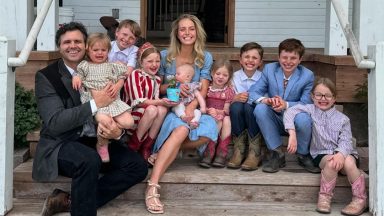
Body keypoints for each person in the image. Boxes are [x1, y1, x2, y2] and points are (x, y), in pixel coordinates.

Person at [32, 22, 148, 216]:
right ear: (59, 46)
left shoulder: (105, 68)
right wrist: (95, 103)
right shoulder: (47, 76)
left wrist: (117, 132)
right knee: (89, 160)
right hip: (62, 142)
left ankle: (69, 201)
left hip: (96, 138)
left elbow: (117, 107)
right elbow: (55, 122)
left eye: (78, 41)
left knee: (137, 166)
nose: (73, 45)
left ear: (86, 45)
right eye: (66, 42)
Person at [144, 14, 217, 214]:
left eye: (191, 29)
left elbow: (203, 89)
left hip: (193, 106)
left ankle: (162, 152)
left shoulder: (205, 57)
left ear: (197, 32)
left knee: (211, 129)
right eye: (182, 29)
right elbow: (157, 87)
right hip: (171, 107)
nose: (187, 33)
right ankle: (153, 185)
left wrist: (192, 106)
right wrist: (175, 86)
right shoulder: (166, 55)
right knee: (182, 129)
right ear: (176, 33)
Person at [284, 78, 367, 215]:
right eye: (319, 95)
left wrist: (340, 154)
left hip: (345, 153)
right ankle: (324, 198)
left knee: (349, 162)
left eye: (328, 95)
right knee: (331, 163)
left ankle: (359, 199)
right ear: (312, 96)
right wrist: (292, 134)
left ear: (334, 98)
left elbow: (346, 141)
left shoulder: (343, 119)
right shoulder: (310, 109)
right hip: (322, 153)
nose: (323, 99)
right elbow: (289, 112)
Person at [248, 38, 320, 173]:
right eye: (284, 57)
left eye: (293, 58)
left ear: (300, 60)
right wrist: (266, 100)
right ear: (278, 57)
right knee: (260, 108)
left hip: (295, 119)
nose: (288, 61)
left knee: (304, 117)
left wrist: (286, 104)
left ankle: (303, 154)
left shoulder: (307, 75)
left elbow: (307, 103)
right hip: (274, 118)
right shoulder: (270, 69)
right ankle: (277, 153)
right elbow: (253, 92)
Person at [72, 32, 134, 162]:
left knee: (129, 122)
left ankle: (110, 131)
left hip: (113, 103)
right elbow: (78, 74)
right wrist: (77, 77)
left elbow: (123, 75)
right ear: (88, 50)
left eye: (103, 50)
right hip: (97, 105)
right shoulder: (85, 66)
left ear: (108, 51)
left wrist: (118, 84)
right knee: (105, 122)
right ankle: (102, 144)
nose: (99, 53)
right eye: (95, 50)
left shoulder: (112, 66)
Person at [122, 42, 174, 161]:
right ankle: (134, 146)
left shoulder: (156, 79)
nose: (154, 64)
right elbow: (139, 102)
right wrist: (160, 101)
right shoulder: (136, 74)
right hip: (130, 116)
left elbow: (156, 101)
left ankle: (146, 146)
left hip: (148, 116)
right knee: (153, 108)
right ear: (141, 62)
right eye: (150, 61)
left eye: (157, 61)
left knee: (162, 109)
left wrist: (164, 102)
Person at [227, 42, 265, 171]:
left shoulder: (263, 78)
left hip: (253, 115)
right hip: (238, 114)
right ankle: (239, 149)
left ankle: (255, 151)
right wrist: (234, 98)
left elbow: (264, 98)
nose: (250, 60)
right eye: (247, 57)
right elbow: (227, 96)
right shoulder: (234, 77)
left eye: (255, 58)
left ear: (260, 62)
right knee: (236, 106)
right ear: (240, 60)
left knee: (250, 107)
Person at [199, 59, 235, 168]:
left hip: (221, 115)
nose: (220, 77)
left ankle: (221, 152)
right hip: (207, 115)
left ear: (229, 77)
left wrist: (218, 112)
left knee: (226, 119)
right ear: (212, 73)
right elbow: (201, 105)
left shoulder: (228, 91)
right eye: (218, 73)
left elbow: (226, 110)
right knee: (218, 120)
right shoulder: (207, 89)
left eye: (225, 75)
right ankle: (209, 152)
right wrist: (210, 110)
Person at [108, 19, 141, 96]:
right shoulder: (108, 46)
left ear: (135, 40)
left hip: (127, 82)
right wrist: (121, 66)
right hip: (108, 78)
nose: (126, 39)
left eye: (131, 38)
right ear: (117, 32)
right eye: (124, 34)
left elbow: (129, 71)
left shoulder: (134, 50)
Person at [171, 63, 206, 128]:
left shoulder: (193, 87)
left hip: (191, 107)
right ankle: (183, 117)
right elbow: (172, 97)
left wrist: (203, 107)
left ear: (187, 77)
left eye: (178, 74)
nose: (175, 75)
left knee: (197, 112)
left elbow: (199, 96)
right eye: (175, 74)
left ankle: (194, 122)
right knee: (178, 106)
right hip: (180, 105)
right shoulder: (175, 86)